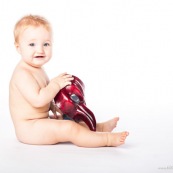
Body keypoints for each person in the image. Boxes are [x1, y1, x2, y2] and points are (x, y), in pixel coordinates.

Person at [9, 14, 129, 147]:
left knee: (70, 120)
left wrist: (55, 106)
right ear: (18, 47)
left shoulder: (37, 69)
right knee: (68, 128)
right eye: (32, 44)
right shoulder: (22, 74)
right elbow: (38, 100)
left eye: (46, 44)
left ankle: (97, 128)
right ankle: (107, 139)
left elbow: (43, 96)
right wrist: (55, 84)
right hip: (29, 128)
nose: (40, 49)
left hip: (38, 122)